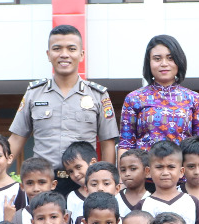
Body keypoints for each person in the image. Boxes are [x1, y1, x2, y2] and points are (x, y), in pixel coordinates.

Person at [9, 25, 119, 178]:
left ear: (81, 55)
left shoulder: (98, 95)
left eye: (71, 49)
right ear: (48, 54)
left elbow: (108, 143)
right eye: (57, 49)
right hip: (43, 182)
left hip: (83, 181)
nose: (64, 54)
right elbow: (16, 138)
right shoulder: (34, 93)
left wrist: (105, 179)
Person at [118, 35, 199, 152]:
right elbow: (126, 145)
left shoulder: (194, 99)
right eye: (157, 59)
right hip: (146, 168)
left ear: (179, 61)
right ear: (149, 63)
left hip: (182, 168)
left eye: (170, 58)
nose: (164, 63)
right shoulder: (134, 98)